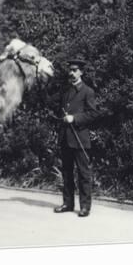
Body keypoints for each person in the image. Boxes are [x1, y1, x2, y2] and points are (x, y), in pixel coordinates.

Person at [54, 58, 100, 217]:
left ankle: (85, 207)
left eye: (75, 70)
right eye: (70, 70)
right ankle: (68, 203)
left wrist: (74, 118)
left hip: (80, 138)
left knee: (83, 174)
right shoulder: (66, 91)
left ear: (81, 72)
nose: (71, 73)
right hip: (66, 138)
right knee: (66, 172)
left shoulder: (88, 91)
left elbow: (93, 114)